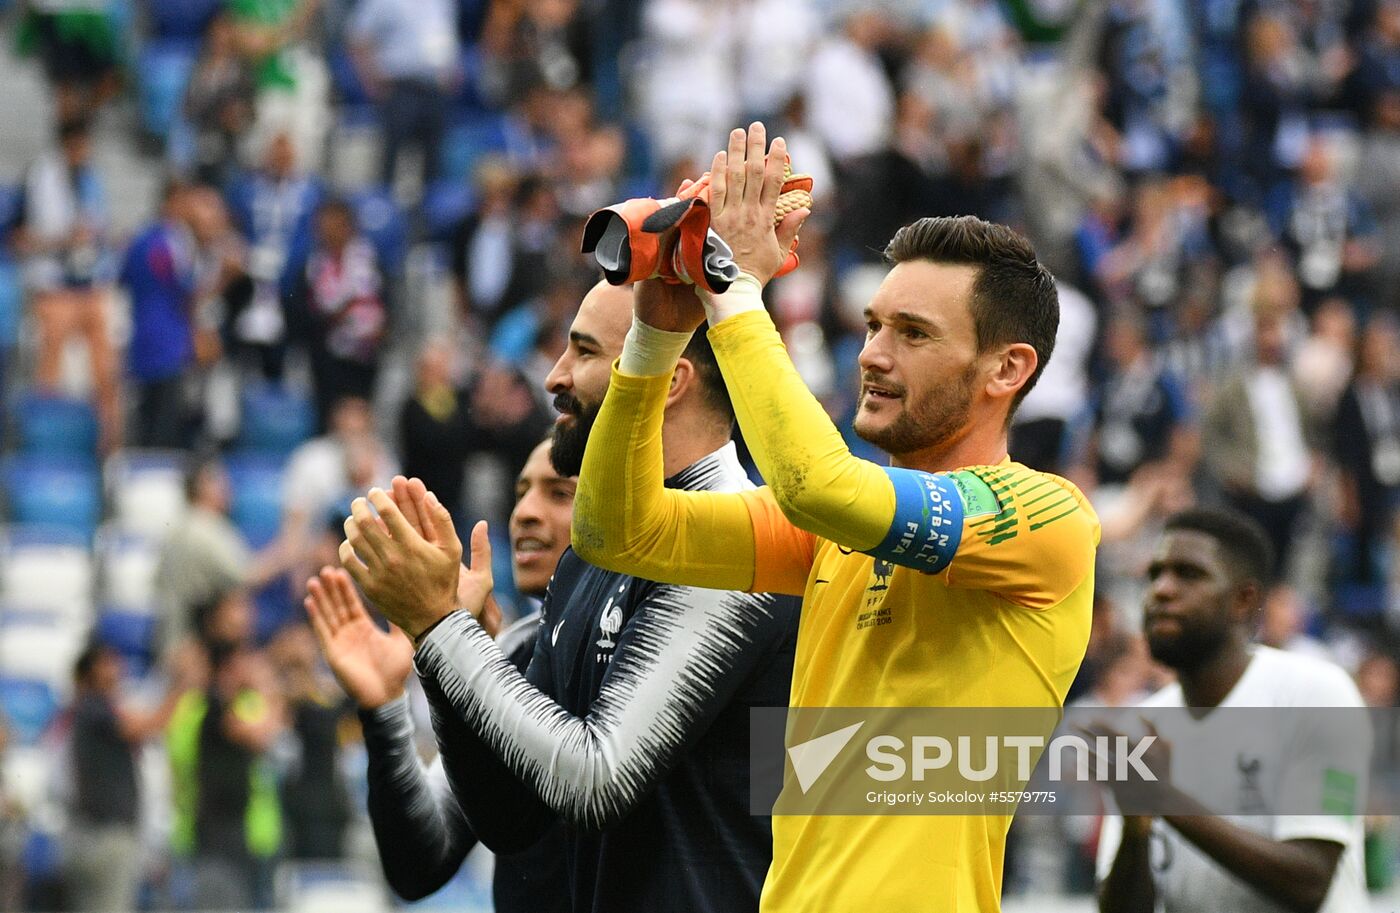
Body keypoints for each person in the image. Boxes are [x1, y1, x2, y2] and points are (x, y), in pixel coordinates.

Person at [572, 124, 1099, 911]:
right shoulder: (833, 534)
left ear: (1008, 368)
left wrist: (733, 287)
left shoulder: (1046, 517)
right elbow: (619, 532)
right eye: (874, 324)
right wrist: (654, 334)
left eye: (913, 334)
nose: (873, 355)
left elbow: (819, 484)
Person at [338, 278, 802, 913]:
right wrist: (436, 650)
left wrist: (443, 629)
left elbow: (594, 780)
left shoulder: (742, 542)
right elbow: (509, 823)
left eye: (583, 352)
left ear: (668, 380)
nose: (555, 376)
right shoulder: (588, 562)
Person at [303, 437, 571, 911]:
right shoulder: (515, 653)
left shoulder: (674, 627)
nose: (525, 512)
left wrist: (448, 642)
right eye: (521, 491)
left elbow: (753, 800)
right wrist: (385, 709)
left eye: (560, 494)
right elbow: (418, 866)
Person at [1096, 508, 1369, 913]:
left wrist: (1165, 800)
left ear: (1244, 600)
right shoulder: (1139, 726)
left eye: (1188, 574)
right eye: (1155, 574)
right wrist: (1136, 833)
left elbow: (1310, 881)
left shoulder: (1315, 693)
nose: (1161, 590)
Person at [64, 642, 204, 913]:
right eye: (108, 663)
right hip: (105, 834)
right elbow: (149, 726)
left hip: (94, 832)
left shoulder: (89, 708)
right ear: (92, 671)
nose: (117, 669)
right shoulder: (94, 707)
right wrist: (182, 686)